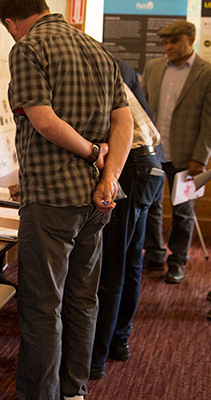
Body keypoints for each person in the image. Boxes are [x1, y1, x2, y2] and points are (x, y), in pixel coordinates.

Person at [0, 1, 133, 399]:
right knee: (81, 299)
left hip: (51, 198)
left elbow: (42, 119)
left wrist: (91, 152)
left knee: (42, 307)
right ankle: (73, 390)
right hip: (96, 200)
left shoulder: (28, 48)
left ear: (11, 22)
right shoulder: (98, 49)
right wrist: (108, 176)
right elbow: (123, 120)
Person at [90, 58, 165, 380]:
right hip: (150, 163)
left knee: (113, 266)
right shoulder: (115, 67)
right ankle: (119, 341)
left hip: (132, 165)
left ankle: (96, 356)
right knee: (131, 260)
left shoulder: (93, 71)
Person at [141, 20, 211, 284]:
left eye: (173, 41)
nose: (167, 47)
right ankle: (155, 254)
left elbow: (209, 120)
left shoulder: (206, 72)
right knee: (150, 207)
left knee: (183, 212)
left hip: (189, 158)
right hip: (153, 154)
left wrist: (201, 158)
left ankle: (177, 261)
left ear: (190, 39)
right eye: (165, 42)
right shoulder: (153, 68)